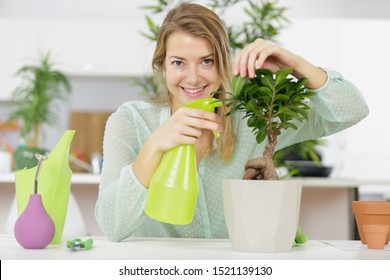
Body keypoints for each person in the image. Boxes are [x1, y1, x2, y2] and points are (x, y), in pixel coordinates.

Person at [95, 2, 369, 241]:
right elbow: (111, 226)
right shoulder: (130, 121)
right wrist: (153, 146)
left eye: (206, 61)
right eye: (179, 63)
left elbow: (353, 109)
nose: (193, 77)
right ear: (162, 66)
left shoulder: (252, 120)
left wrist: (296, 64)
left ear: (224, 64)